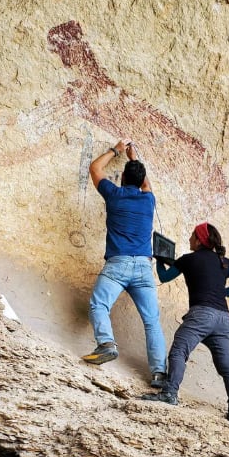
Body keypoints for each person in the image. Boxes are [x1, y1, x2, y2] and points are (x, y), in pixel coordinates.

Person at [142, 222, 229, 423]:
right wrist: (225, 293)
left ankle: (170, 394)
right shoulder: (223, 262)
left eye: (192, 235)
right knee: (226, 364)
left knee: (179, 350)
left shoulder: (188, 260)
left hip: (201, 315)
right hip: (223, 319)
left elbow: (164, 277)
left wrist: (159, 259)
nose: (189, 239)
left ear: (200, 240)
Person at [81, 138, 168, 388]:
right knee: (151, 321)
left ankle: (107, 343)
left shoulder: (115, 195)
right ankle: (159, 373)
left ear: (122, 179)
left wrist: (115, 150)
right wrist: (133, 157)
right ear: (141, 183)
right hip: (143, 267)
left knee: (99, 304)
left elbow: (95, 169)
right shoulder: (148, 200)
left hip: (117, 264)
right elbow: (146, 185)